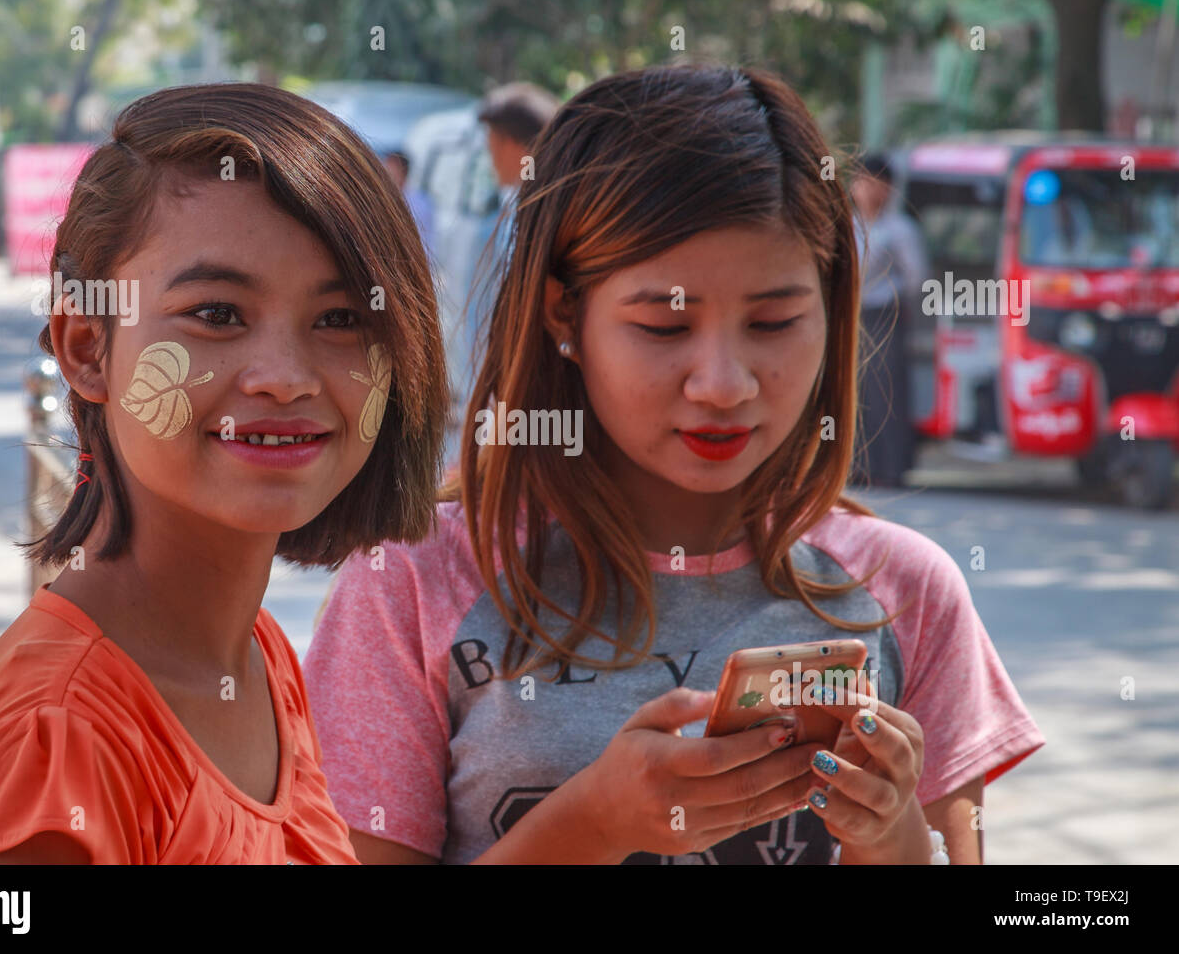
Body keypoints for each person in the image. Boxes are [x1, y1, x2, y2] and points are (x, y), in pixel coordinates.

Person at [304, 64, 1044, 865]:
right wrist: (586, 828)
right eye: (663, 326)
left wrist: (893, 837)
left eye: (774, 321)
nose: (723, 384)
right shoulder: (413, 582)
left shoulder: (908, 594)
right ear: (564, 314)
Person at [0, 83, 448, 864]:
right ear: (87, 349)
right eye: (217, 314)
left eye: (340, 320)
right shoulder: (53, 739)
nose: (285, 377)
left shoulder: (258, 656)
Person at [447, 83, 559, 423]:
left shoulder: (523, 210)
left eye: (492, 144)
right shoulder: (551, 202)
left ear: (510, 144)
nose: (491, 157)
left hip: (512, 394)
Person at [850, 153, 927, 489]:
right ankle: (854, 467)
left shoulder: (900, 230)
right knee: (852, 393)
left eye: (877, 184)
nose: (868, 190)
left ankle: (892, 468)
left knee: (885, 393)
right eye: (863, 182)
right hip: (849, 318)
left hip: (884, 317)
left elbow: (917, 278)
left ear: (889, 189)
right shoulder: (845, 225)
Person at [384, 149, 435, 256]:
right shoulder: (382, 198)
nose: (386, 174)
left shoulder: (420, 203)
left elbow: (427, 240)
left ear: (404, 172)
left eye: (392, 171)